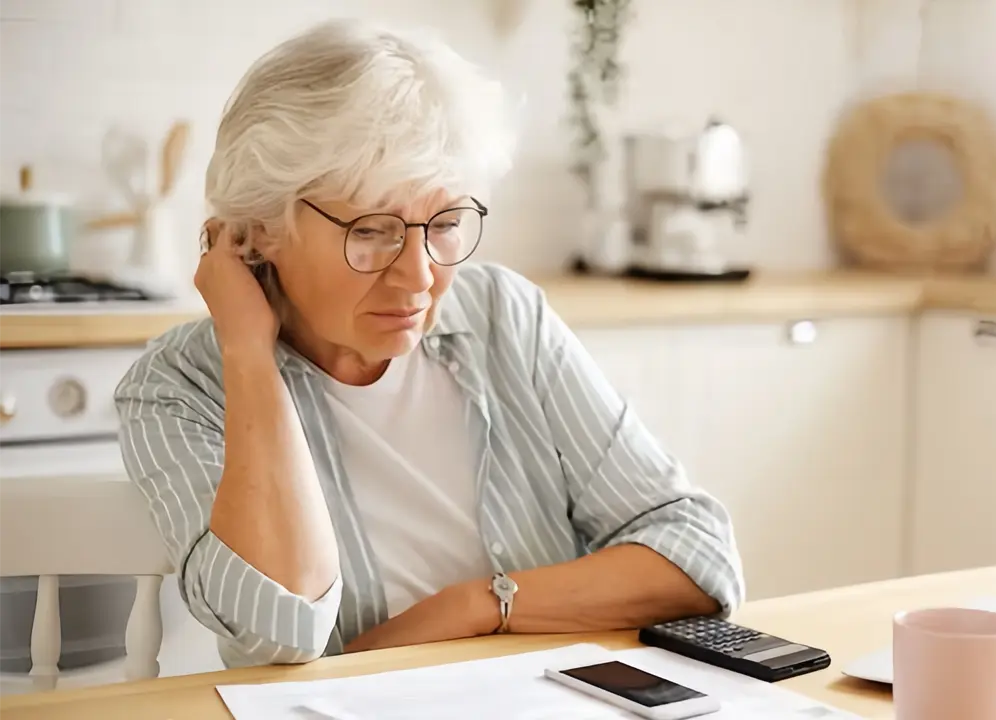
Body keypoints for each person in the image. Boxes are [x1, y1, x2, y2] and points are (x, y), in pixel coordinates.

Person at [114, 19, 744, 669]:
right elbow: (280, 629)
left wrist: (474, 608)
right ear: (259, 230)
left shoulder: (504, 317)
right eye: (372, 230)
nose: (419, 276)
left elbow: (696, 557)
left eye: (444, 223)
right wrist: (247, 352)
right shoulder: (177, 387)